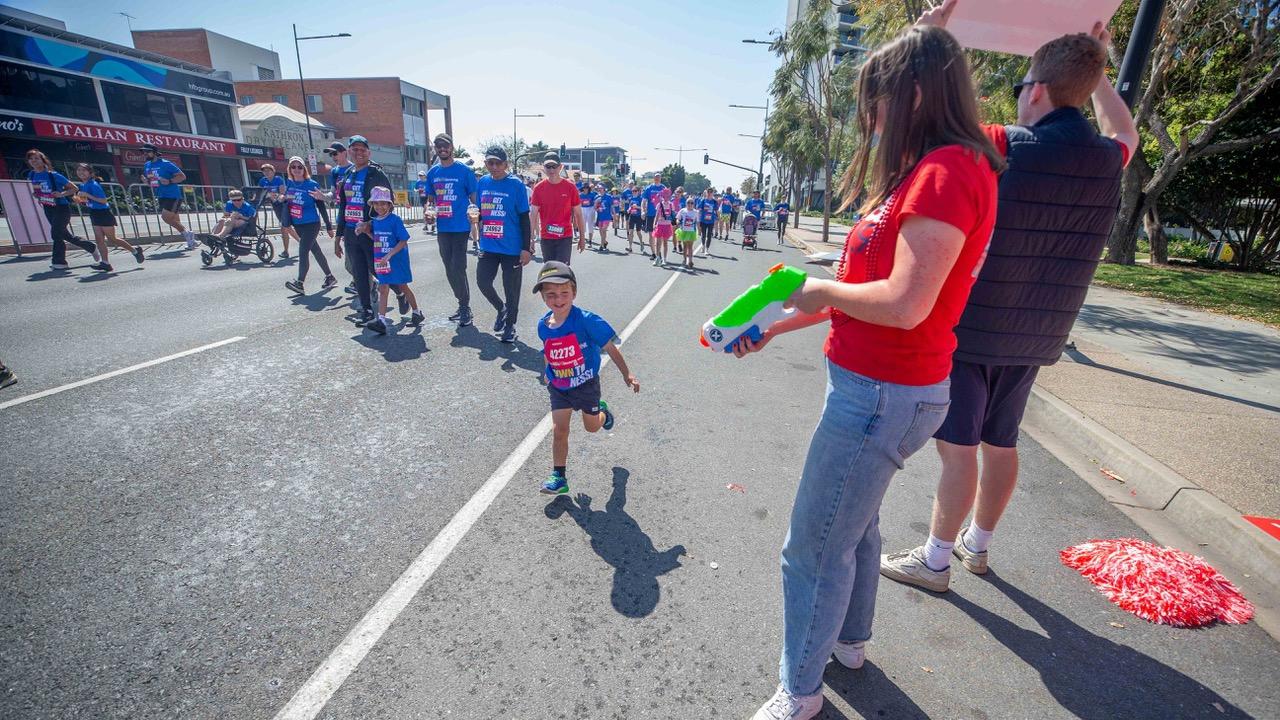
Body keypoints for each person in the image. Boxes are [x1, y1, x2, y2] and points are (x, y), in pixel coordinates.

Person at [733, 21, 1003, 720]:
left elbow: (905, 303)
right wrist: (779, 323)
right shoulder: (938, 166)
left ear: (914, 94)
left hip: (884, 393)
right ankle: (849, 642)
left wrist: (815, 292)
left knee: (812, 549)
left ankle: (800, 690)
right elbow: (869, 291)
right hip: (886, 387)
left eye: (877, 100)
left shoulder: (945, 171)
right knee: (856, 525)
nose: (870, 118)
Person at [880, 10, 1138, 594]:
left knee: (958, 448)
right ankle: (978, 545)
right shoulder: (1104, 159)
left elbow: (930, 114)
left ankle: (937, 560)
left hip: (974, 329)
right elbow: (1129, 134)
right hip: (1039, 337)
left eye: (1023, 87)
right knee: (1003, 441)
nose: (1020, 98)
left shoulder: (1003, 145)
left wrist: (931, 32)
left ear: (1038, 91)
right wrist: (1098, 72)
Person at [535, 261, 639, 495]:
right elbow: (548, 350)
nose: (558, 299)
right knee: (559, 430)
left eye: (564, 293)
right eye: (551, 294)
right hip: (559, 386)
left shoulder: (586, 320)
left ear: (574, 293)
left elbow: (610, 348)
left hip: (585, 384)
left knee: (592, 428)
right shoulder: (543, 325)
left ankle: (603, 412)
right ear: (542, 297)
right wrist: (547, 372)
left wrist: (627, 374)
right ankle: (559, 477)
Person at [475, 146, 533, 343]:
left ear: (506, 164)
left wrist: (526, 248)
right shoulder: (482, 182)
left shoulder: (516, 185)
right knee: (482, 282)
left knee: (512, 290)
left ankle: (510, 326)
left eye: (498, 163)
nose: (494, 167)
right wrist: (475, 217)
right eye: (489, 163)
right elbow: (481, 211)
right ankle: (501, 309)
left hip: (512, 248)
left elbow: (525, 218)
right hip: (489, 246)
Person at [334, 134, 393, 326]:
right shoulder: (348, 174)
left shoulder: (376, 173)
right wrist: (338, 236)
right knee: (358, 272)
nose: (359, 153)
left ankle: (400, 292)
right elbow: (343, 205)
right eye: (355, 149)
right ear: (349, 151)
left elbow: (388, 203)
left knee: (377, 269)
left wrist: (371, 223)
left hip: (370, 231)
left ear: (368, 152)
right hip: (352, 231)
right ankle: (367, 310)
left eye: (362, 150)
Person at [426, 133, 479, 327]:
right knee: (449, 268)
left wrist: (476, 216)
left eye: (445, 146)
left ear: (452, 148)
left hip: (460, 227)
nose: (442, 149)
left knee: (459, 266)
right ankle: (461, 303)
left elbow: (474, 198)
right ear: (435, 149)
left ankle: (465, 307)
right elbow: (431, 200)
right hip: (443, 227)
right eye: (438, 146)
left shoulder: (464, 171)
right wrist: (429, 211)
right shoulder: (433, 173)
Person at [364, 186, 424, 335]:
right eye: (376, 203)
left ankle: (417, 312)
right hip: (382, 260)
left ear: (390, 205)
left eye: (383, 203)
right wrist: (367, 233)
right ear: (372, 205)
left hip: (396, 260)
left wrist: (389, 255)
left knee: (403, 287)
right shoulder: (375, 221)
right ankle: (381, 321)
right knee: (383, 288)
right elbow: (379, 240)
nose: (379, 206)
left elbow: (403, 240)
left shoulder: (395, 220)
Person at [26, 150, 99, 270]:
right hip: (48, 207)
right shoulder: (32, 175)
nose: (34, 161)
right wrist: (37, 194)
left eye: (36, 158)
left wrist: (61, 194)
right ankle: (90, 246)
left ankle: (59, 262)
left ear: (43, 160)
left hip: (61, 208)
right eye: (31, 159)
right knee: (64, 235)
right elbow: (37, 189)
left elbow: (73, 188)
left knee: (56, 233)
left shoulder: (53, 175)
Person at [282, 156, 338, 296]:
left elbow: (321, 205)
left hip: (311, 224)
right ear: (290, 169)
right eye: (293, 167)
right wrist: (281, 199)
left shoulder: (311, 184)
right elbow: (288, 203)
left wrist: (328, 226)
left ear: (304, 169)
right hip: (298, 224)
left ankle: (300, 283)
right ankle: (330, 276)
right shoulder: (289, 184)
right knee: (316, 251)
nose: (296, 169)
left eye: (299, 167)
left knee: (303, 251)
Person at [73, 163, 144, 271]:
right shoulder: (83, 185)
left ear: (90, 173)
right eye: (79, 170)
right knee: (99, 240)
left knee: (112, 238)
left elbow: (103, 200)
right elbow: (88, 201)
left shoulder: (94, 184)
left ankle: (135, 251)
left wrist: (88, 196)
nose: (81, 172)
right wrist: (80, 201)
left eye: (84, 170)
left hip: (104, 213)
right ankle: (105, 263)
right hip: (94, 213)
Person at [530, 153, 585, 264]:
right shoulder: (538, 188)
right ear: (544, 168)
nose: (551, 170)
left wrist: (582, 238)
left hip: (565, 237)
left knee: (562, 271)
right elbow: (533, 215)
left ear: (560, 167)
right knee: (549, 271)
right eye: (548, 166)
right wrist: (531, 239)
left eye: (554, 166)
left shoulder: (570, 187)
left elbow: (578, 214)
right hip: (546, 237)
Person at [141, 143, 196, 249]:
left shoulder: (166, 164)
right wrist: (146, 182)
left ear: (155, 152)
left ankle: (188, 233)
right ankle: (191, 241)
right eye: (144, 152)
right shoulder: (147, 165)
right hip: (161, 195)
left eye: (148, 151)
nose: (145, 153)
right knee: (175, 220)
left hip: (172, 195)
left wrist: (170, 181)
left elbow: (182, 176)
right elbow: (153, 182)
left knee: (166, 217)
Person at [259, 163, 295, 258]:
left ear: (273, 171)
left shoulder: (278, 179)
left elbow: (282, 193)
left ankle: (286, 251)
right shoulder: (263, 181)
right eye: (264, 171)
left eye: (268, 170)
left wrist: (273, 195)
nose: (266, 172)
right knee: (287, 228)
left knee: (284, 227)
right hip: (275, 205)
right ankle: (303, 243)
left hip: (283, 204)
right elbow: (260, 193)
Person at [674, 197, 699, 269]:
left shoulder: (696, 212)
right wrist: (678, 222)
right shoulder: (682, 211)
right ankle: (685, 260)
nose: (690, 204)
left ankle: (690, 261)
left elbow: (697, 221)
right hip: (684, 231)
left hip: (691, 231)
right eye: (688, 202)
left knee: (690, 247)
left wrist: (700, 230)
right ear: (686, 203)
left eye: (691, 203)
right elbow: (678, 218)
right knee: (685, 246)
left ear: (693, 204)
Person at [641, 173, 668, 238]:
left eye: (658, 177)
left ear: (660, 179)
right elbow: (643, 201)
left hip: (661, 214)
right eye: (656, 177)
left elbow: (667, 201)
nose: (657, 179)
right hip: (651, 213)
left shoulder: (663, 188)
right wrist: (643, 211)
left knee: (660, 234)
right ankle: (653, 247)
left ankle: (657, 247)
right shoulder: (649, 188)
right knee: (651, 234)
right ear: (654, 178)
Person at [649, 195, 674, 266]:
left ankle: (664, 259)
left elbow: (672, 216)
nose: (666, 198)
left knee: (665, 243)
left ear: (669, 197)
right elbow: (656, 215)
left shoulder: (671, 205)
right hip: (659, 225)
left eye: (667, 196)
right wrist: (654, 223)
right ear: (663, 197)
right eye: (664, 196)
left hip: (667, 225)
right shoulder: (659, 204)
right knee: (657, 243)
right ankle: (657, 258)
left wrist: (666, 218)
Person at [413, 170, 435, 235]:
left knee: (429, 211)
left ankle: (430, 225)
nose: (420, 177)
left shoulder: (428, 182)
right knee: (426, 212)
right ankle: (427, 225)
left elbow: (432, 189)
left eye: (421, 175)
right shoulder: (418, 182)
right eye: (419, 175)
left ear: (424, 176)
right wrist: (417, 190)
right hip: (422, 198)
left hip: (428, 198)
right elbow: (415, 189)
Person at [697, 188, 717, 256]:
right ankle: (703, 245)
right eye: (708, 192)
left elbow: (716, 210)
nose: (709, 193)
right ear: (707, 193)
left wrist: (716, 219)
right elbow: (698, 208)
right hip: (703, 220)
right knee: (703, 235)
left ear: (712, 193)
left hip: (711, 221)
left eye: (711, 192)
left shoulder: (714, 201)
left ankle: (707, 249)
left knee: (709, 236)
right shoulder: (703, 200)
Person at [593, 183, 613, 251]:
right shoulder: (596, 197)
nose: (600, 190)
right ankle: (604, 242)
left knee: (604, 230)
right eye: (599, 189)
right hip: (600, 217)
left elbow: (612, 207)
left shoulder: (609, 196)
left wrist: (614, 215)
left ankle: (601, 245)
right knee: (601, 231)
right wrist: (596, 203)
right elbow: (595, 208)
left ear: (604, 189)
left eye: (601, 188)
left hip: (607, 216)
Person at [579, 182, 599, 246]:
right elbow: (578, 203)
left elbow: (598, 199)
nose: (585, 189)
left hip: (591, 209)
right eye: (584, 188)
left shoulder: (593, 194)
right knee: (583, 225)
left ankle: (590, 240)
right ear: (582, 189)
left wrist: (596, 206)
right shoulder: (580, 195)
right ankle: (583, 239)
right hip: (583, 209)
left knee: (590, 225)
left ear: (589, 188)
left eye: (587, 188)